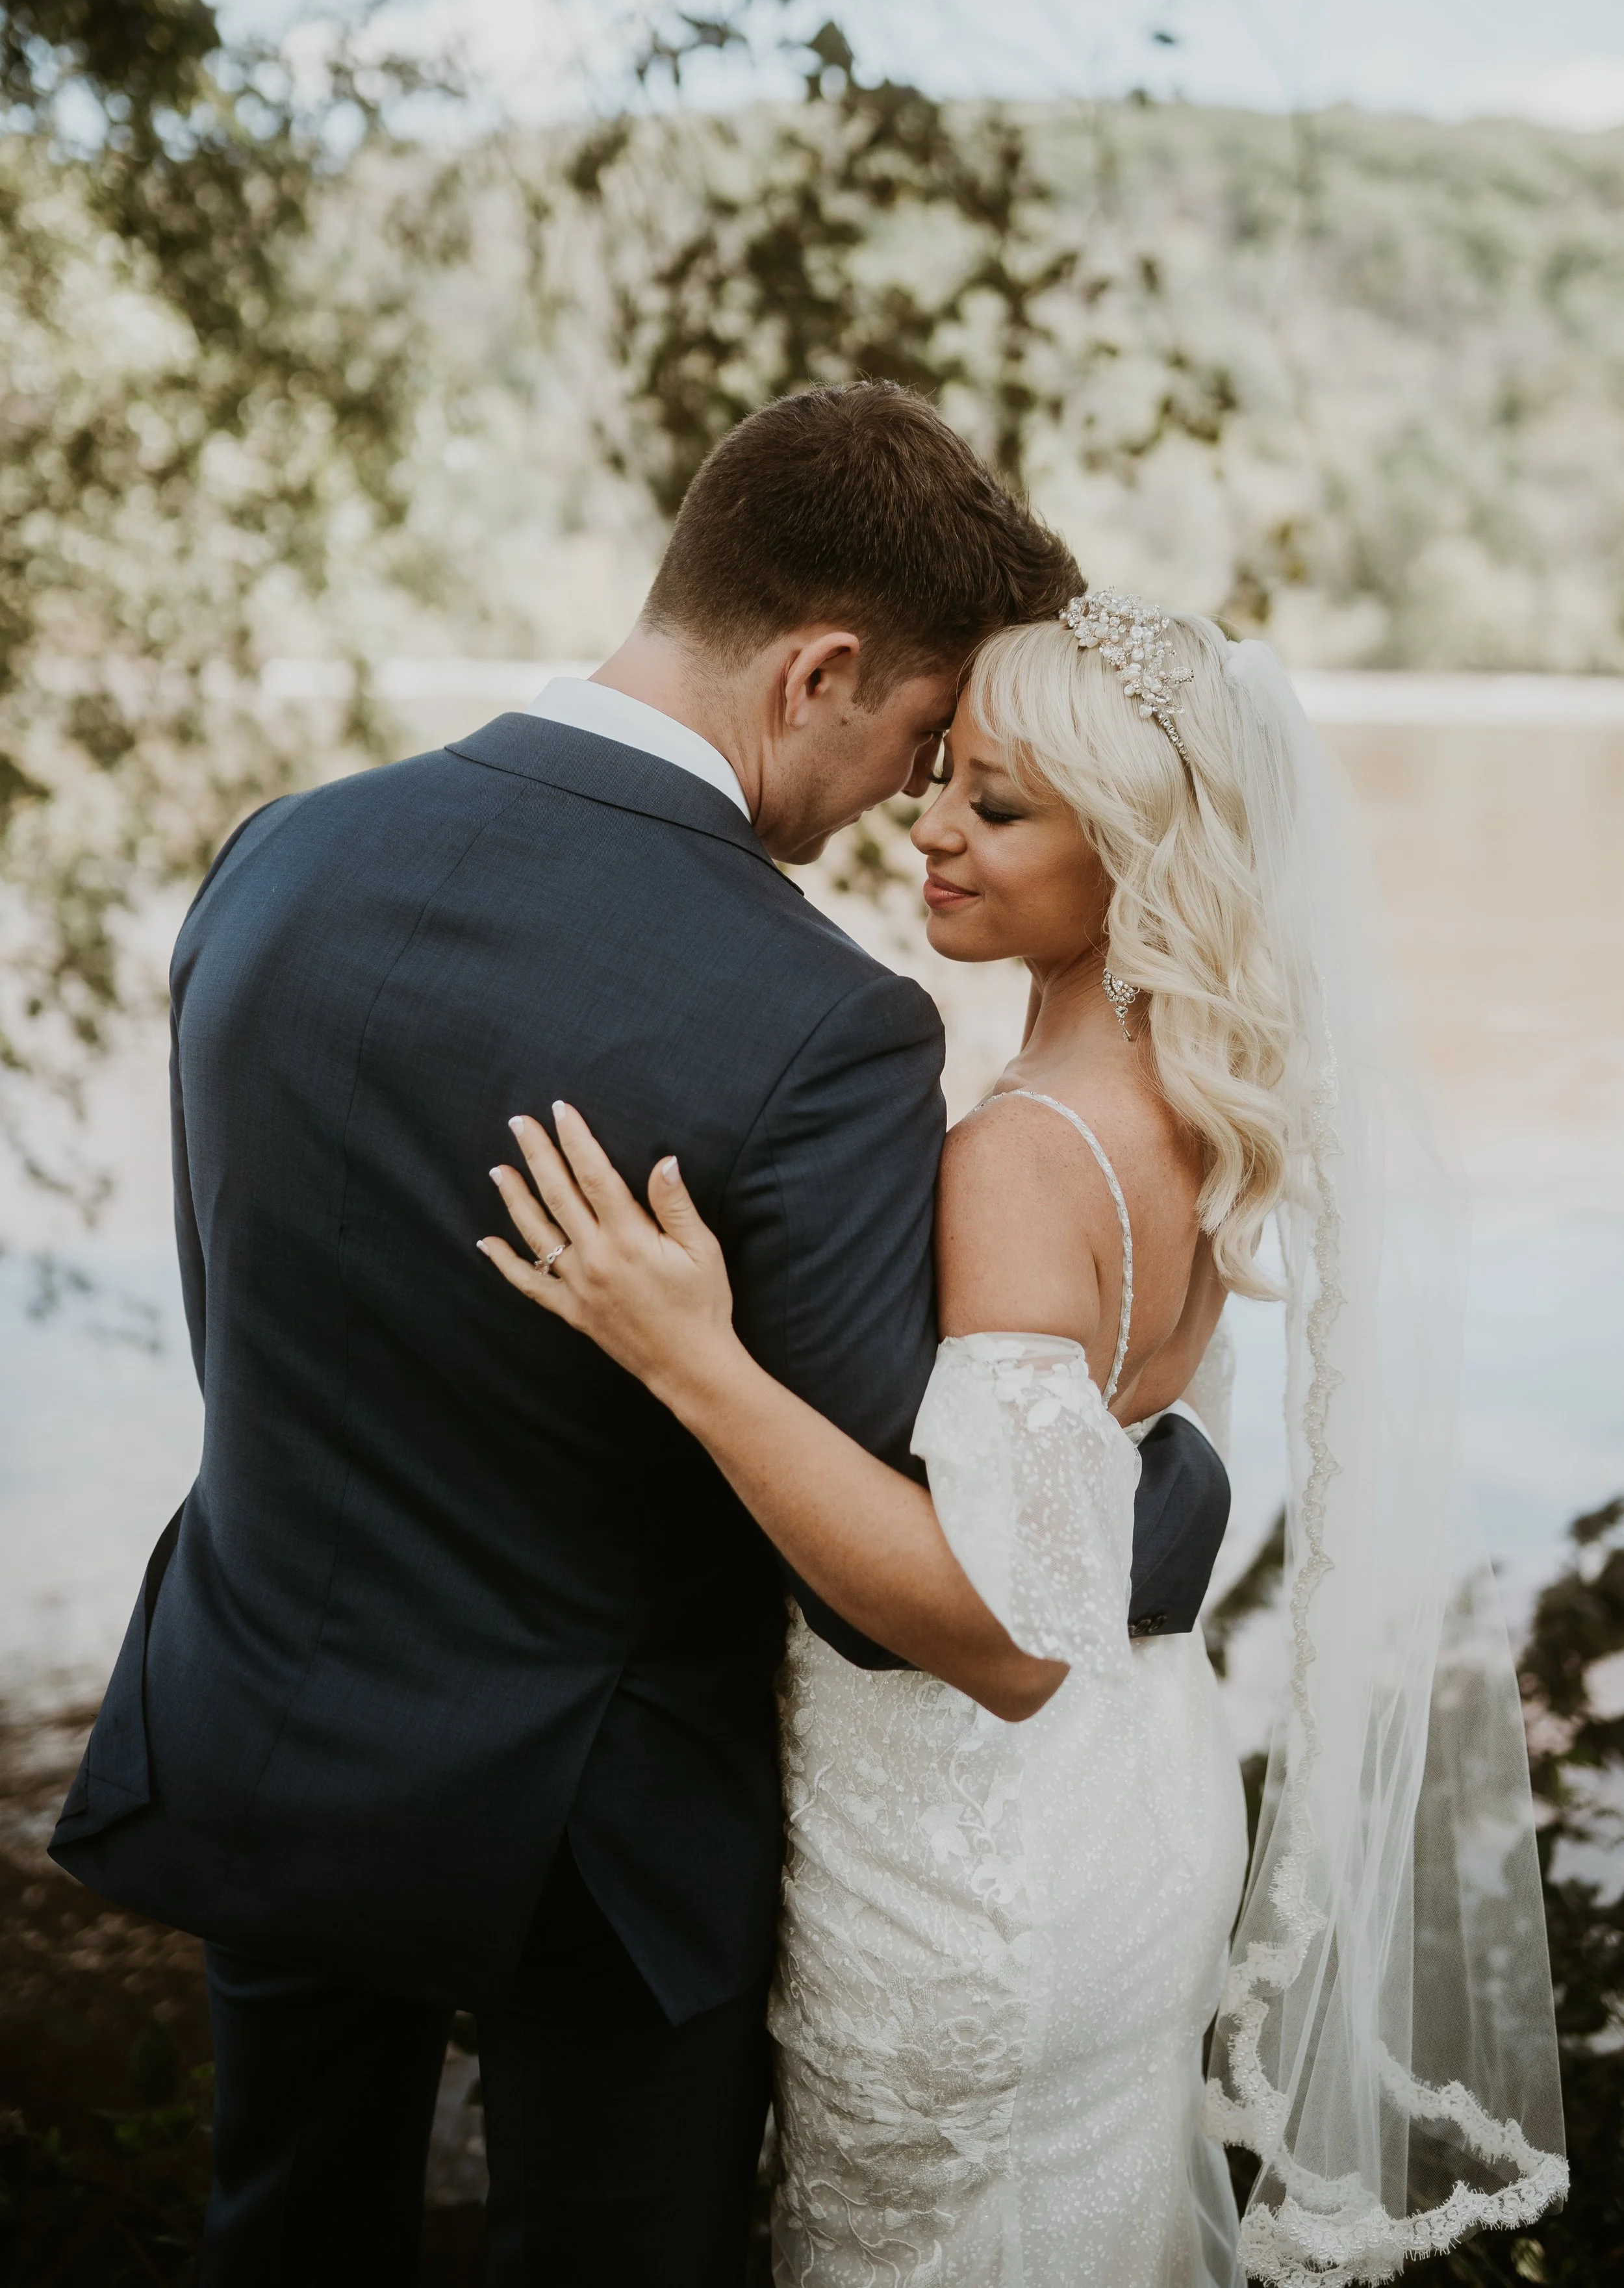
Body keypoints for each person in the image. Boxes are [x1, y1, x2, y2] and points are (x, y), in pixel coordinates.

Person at [49, 385, 1228, 2288]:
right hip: (598, 1830)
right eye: (915, 740)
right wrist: (1171, 1476)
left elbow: (243, 1297)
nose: (903, 808)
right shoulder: (819, 1024)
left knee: (280, 2237)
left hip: (269, 1713)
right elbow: (899, 1577)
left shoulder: (276, 861)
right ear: (816, 671)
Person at [482, 596, 1568, 2287]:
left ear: (1134, 860)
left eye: (997, 808)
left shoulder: (1025, 1155)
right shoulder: (1194, 1102)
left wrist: (690, 1357)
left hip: (974, 1878)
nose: (929, 829)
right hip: (1135, 1809)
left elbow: (1004, 1633)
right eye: (943, 781)